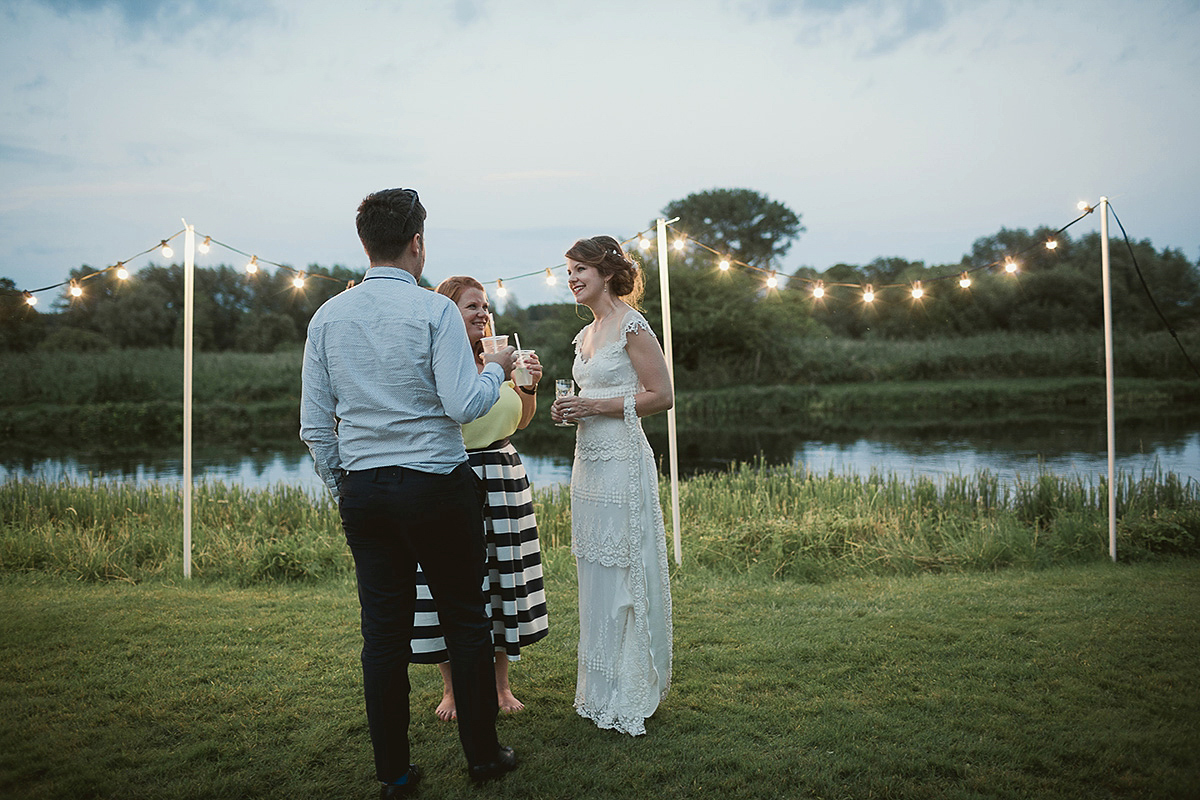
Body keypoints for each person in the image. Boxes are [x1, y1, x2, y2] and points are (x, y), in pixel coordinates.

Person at [300, 188, 519, 797]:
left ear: (366, 243)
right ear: (418, 243)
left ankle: (394, 775)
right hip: (437, 486)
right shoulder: (434, 312)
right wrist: (496, 370)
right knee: (466, 623)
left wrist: (347, 485)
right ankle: (483, 758)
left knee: (384, 634)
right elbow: (463, 403)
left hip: (367, 492)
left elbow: (315, 426)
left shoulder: (327, 317)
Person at [549, 235, 674, 736]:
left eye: (580, 269)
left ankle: (631, 686)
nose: (572, 279)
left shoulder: (632, 324)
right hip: (588, 466)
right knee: (596, 566)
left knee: (624, 566)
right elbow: (589, 394)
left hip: (623, 459)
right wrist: (567, 407)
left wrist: (594, 406)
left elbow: (662, 395)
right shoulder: (585, 334)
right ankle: (598, 688)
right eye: (568, 271)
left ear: (605, 272)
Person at [411, 275, 549, 721]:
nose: (483, 313)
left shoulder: (499, 358)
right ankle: (451, 690)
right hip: (452, 474)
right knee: (449, 582)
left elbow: (520, 421)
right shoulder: (437, 360)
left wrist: (526, 386)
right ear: (448, 312)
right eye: (472, 306)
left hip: (504, 476)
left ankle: (500, 684)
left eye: (485, 306)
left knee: (502, 578)